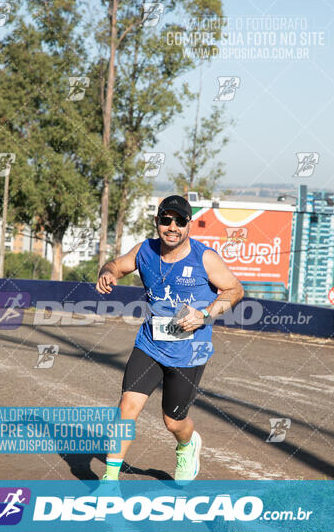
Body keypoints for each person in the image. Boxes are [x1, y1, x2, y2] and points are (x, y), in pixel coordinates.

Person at [96, 195, 243, 481]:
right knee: (127, 407)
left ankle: (187, 445)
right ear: (157, 222)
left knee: (173, 422)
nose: (172, 226)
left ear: (189, 225)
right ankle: (109, 481)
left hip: (189, 352)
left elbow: (235, 290)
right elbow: (116, 265)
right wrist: (107, 273)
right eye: (166, 220)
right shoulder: (145, 251)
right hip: (149, 345)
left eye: (179, 221)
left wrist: (206, 315)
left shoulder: (205, 258)